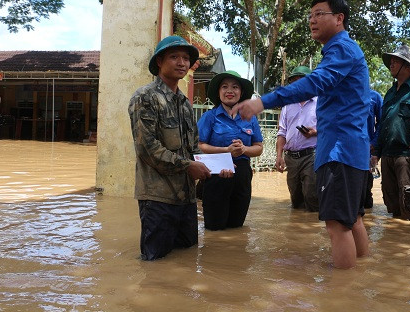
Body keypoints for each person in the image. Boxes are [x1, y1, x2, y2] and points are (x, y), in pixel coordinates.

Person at [233, 0, 371, 269]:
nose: (312, 20)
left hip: (338, 151)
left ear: (339, 18)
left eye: (319, 13)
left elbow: (315, 83)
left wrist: (262, 101)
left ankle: (340, 295)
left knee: (336, 224)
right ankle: (358, 286)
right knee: (352, 218)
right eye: (310, 15)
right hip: (349, 150)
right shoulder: (344, 50)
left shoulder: (341, 49)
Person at [129, 36, 226, 261]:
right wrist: (188, 167)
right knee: (155, 264)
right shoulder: (145, 97)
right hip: (157, 198)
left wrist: (214, 170)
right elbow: (147, 148)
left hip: (187, 199)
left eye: (185, 58)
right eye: (174, 57)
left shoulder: (184, 103)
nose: (182, 62)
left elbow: (193, 149)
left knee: (187, 261)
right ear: (160, 61)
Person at [371, 45, 410, 220]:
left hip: (408, 156)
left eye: (395, 62)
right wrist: (376, 153)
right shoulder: (390, 93)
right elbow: (383, 123)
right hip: (388, 157)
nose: (391, 65)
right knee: (393, 208)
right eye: (391, 62)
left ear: (407, 67)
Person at [197, 70, 263, 230]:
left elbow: (259, 148)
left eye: (235, 87)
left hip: (242, 175)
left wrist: (244, 149)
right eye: (224, 87)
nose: (230, 91)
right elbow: (199, 145)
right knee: (214, 227)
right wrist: (226, 150)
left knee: (236, 227)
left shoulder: (250, 118)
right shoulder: (209, 117)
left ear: (241, 92)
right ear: (219, 92)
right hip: (216, 172)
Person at [275, 66, 319, 212]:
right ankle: (298, 228)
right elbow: (282, 132)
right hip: (291, 158)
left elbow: (331, 127)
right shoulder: (288, 105)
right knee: (295, 198)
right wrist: (279, 156)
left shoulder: (320, 102)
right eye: (294, 81)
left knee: (312, 195)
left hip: (312, 155)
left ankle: (311, 229)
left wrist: (314, 132)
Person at [365, 88, 383, 209]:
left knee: (365, 190)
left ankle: (366, 224)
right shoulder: (340, 94)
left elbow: (382, 122)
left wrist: (374, 144)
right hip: (344, 150)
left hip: (367, 150)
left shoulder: (374, 97)